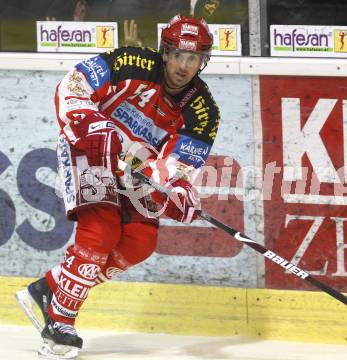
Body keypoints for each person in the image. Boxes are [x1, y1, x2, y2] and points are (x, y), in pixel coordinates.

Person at [16, 13, 220, 359]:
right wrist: (93, 125)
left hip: (133, 169)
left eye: (193, 58)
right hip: (90, 147)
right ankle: (60, 321)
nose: (183, 66)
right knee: (102, 228)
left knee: (142, 240)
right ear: (164, 52)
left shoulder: (203, 112)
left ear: (203, 61)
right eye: (177, 56)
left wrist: (178, 190)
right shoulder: (132, 62)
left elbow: (178, 168)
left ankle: (51, 288)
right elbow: (74, 84)